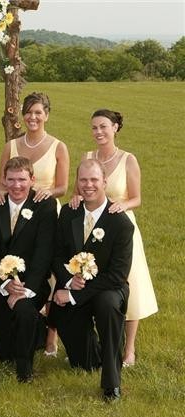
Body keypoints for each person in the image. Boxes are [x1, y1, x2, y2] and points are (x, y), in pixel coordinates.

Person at [69, 109, 157, 366]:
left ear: (115, 127)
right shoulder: (87, 157)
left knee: (128, 284)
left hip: (120, 227)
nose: (98, 132)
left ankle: (129, 349)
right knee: (91, 279)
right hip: (91, 228)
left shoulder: (128, 159)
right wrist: (75, 197)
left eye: (103, 127)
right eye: (94, 127)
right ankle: (88, 341)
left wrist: (124, 204)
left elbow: (137, 197)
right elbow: (81, 190)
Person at [49, 158, 134, 402]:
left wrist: (75, 294)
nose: (89, 185)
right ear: (77, 182)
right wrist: (67, 281)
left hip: (109, 288)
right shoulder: (68, 212)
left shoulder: (120, 222)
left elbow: (118, 275)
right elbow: (57, 255)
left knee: (107, 306)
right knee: (82, 364)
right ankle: (94, 354)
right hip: (74, 286)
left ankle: (111, 383)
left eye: (94, 179)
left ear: (105, 182)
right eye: (83, 180)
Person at [0, 92, 70, 357]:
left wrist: (44, 190)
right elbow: (1, 183)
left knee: (49, 273)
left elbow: (63, 186)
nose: (33, 117)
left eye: (38, 112)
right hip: (16, 215)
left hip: (47, 213)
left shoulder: (58, 146)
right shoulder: (11, 146)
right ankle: (23, 323)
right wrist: (2, 193)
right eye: (28, 112)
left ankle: (51, 336)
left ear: (47, 114)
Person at [0, 157, 57, 382]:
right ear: (4, 180)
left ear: (32, 179)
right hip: (1, 284)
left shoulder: (45, 206)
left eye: (22, 180)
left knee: (24, 311)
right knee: (5, 355)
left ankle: (25, 370)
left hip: (32, 283)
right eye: (11, 180)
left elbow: (45, 251)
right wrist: (6, 285)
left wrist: (25, 289)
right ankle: (37, 332)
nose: (16, 186)